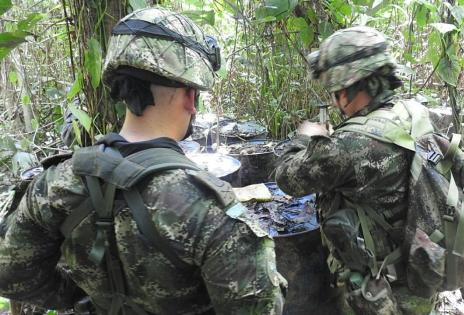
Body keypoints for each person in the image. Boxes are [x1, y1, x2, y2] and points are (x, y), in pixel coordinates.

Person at [0, 8, 284, 315]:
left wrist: (83, 296)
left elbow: (11, 275)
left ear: (122, 89)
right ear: (190, 97)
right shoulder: (210, 207)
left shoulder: (53, 184)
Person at [274, 26, 435, 314]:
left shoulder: (348, 146)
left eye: (336, 91)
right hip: (422, 269)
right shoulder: (413, 112)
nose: (335, 99)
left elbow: (287, 178)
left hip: (378, 292)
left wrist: (305, 138)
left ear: (350, 88)